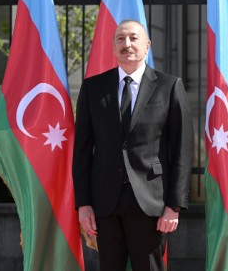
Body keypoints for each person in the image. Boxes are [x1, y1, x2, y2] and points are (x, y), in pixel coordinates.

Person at [72, 20, 193, 271]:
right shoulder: (93, 88)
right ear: (113, 47)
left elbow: (182, 150)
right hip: (105, 201)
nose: (126, 44)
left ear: (147, 45)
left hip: (151, 202)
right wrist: (83, 204)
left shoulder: (169, 86)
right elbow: (81, 150)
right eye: (120, 38)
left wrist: (174, 206)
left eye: (133, 38)